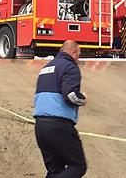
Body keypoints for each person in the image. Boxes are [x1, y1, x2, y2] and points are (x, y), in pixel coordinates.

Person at [34, 40, 87, 178]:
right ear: (73, 53)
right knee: (78, 166)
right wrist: (83, 99)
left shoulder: (46, 68)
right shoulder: (70, 67)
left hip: (40, 126)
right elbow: (70, 95)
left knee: (55, 171)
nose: (78, 58)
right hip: (59, 126)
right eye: (79, 54)